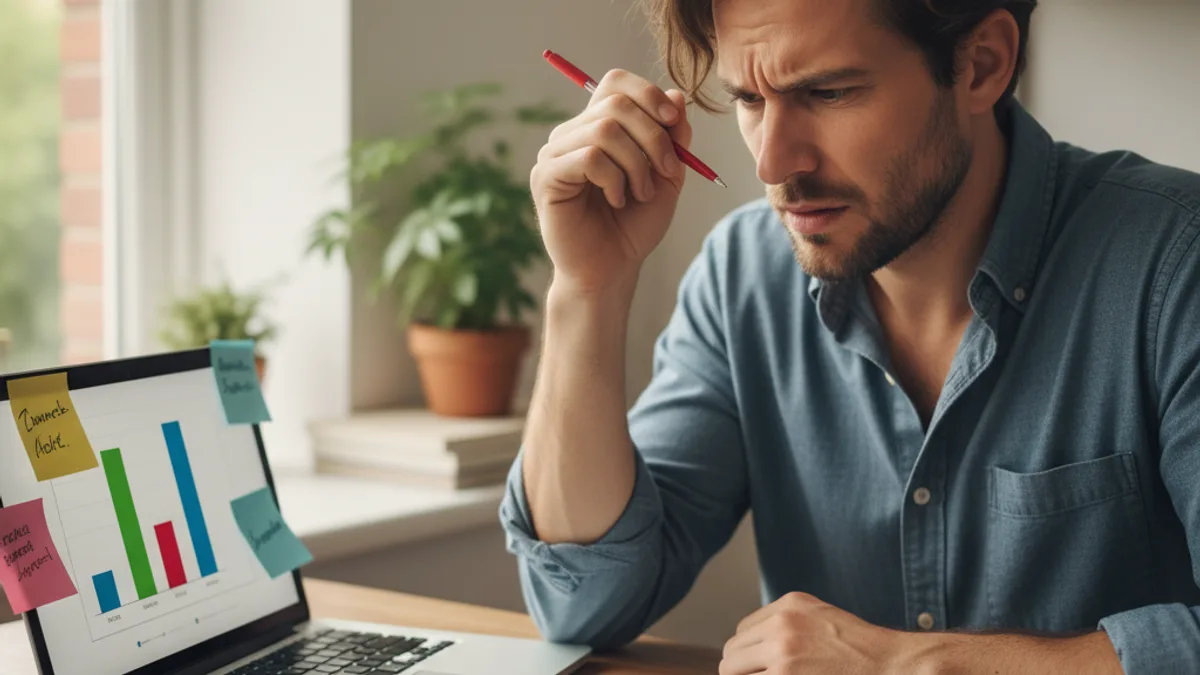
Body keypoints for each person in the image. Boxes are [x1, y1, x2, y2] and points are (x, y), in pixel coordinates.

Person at [499, 0, 1200, 672]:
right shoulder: (741, 275)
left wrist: (913, 665)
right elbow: (581, 605)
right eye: (748, 100)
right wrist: (587, 289)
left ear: (982, 64)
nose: (774, 165)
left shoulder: (1174, 263)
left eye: (829, 93)